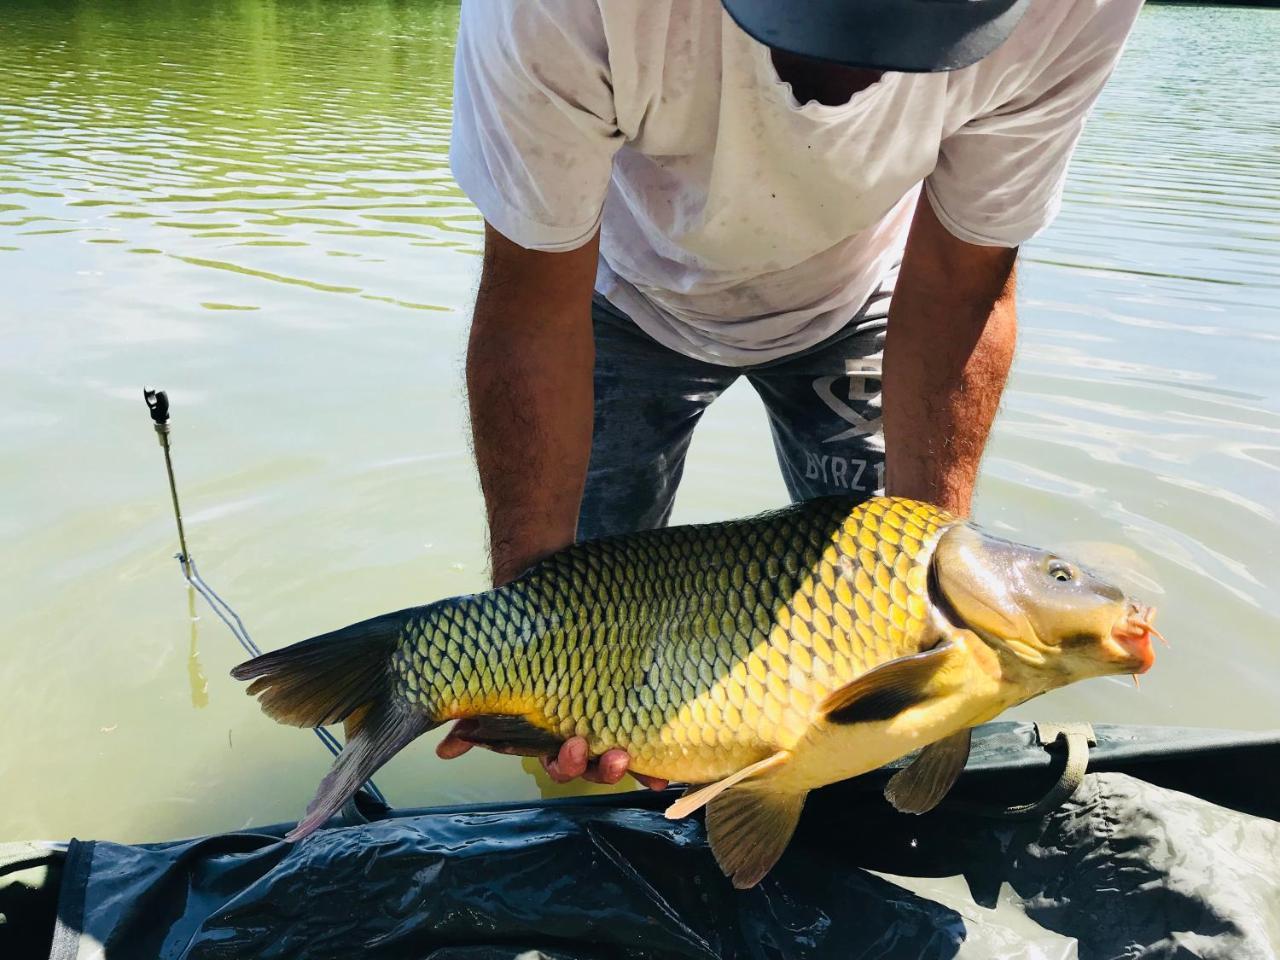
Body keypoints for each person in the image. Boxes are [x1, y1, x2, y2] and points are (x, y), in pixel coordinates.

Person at [435, 0, 1143, 789]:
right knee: (581, 670)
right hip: (616, 297)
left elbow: (959, 280)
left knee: (886, 658)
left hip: (869, 297)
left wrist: (936, 624)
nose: (856, 74)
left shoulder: (1079, 8)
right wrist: (526, 644)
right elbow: (531, 305)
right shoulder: (550, 11)